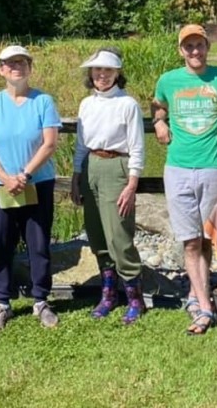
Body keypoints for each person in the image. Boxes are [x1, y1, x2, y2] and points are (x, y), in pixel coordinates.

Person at [153, 24, 217, 335]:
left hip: (211, 167)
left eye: (199, 45)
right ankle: (205, 307)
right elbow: (157, 104)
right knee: (189, 240)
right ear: (181, 51)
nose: (194, 51)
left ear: (207, 47)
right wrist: (160, 122)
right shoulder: (169, 80)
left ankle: (194, 293)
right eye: (188, 47)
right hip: (177, 168)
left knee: (204, 238)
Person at [0, 45, 62, 332]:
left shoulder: (43, 101)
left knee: (38, 243)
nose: (16, 67)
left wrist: (24, 174)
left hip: (36, 182)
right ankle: (2, 302)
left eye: (22, 62)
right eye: (10, 63)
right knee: (1, 243)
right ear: (1, 69)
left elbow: (49, 143)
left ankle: (41, 300)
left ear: (30, 67)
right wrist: (4, 176)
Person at [70, 47, 146, 324]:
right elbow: (80, 145)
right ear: (91, 73)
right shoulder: (86, 104)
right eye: (98, 70)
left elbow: (137, 147)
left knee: (119, 235)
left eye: (108, 70)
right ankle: (108, 293)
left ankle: (134, 297)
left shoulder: (128, 104)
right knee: (97, 234)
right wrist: (76, 177)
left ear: (117, 74)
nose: (102, 75)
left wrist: (132, 183)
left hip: (117, 167)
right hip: (92, 165)